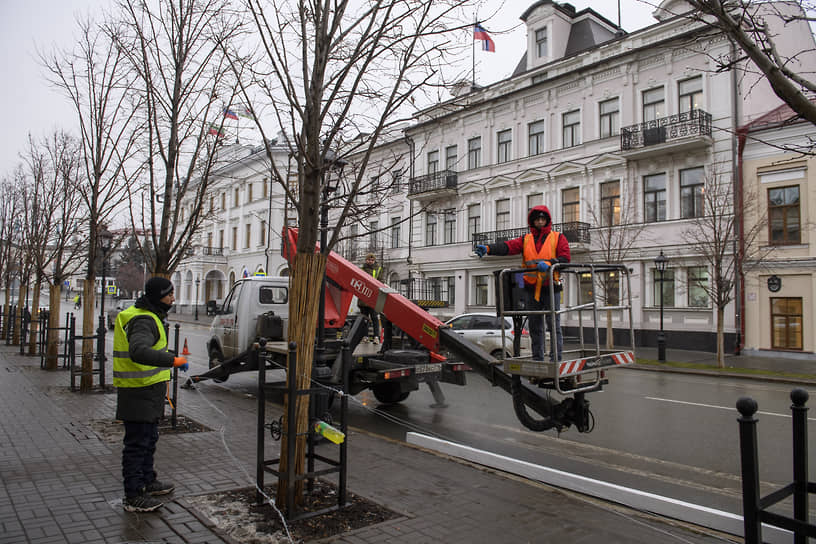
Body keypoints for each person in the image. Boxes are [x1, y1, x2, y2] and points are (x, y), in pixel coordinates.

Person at [113, 277, 189, 512]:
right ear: (158, 297)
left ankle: (148, 481)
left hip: (147, 392)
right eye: (169, 295)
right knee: (137, 444)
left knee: (149, 440)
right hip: (139, 392)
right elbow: (139, 351)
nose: (173, 299)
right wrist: (173, 360)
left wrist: (170, 356)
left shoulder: (148, 314)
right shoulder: (144, 319)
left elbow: (151, 348)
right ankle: (134, 495)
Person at [475, 205, 570, 362]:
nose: (540, 221)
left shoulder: (558, 238)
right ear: (532, 222)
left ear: (547, 220)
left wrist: (551, 263)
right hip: (531, 289)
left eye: (543, 219)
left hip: (550, 287)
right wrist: (488, 248)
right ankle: (538, 358)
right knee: (535, 327)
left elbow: (565, 259)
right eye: (537, 219)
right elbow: (508, 246)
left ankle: (556, 359)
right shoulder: (526, 239)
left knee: (553, 326)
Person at [358, 253, 383, 343]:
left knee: (374, 318)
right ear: (366, 260)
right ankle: (365, 337)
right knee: (365, 319)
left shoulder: (378, 269)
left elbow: (381, 281)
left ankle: (376, 337)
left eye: (372, 260)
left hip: (373, 297)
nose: (370, 261)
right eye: (369, 260)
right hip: (364, 298)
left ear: (374, 260)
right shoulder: (361, 269)